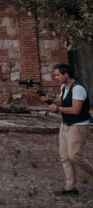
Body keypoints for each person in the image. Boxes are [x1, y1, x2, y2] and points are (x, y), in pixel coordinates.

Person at [42, 63, 93, 196]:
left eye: (58, 75)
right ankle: (70, 187)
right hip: (65, 125)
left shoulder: (78, 89)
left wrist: (57, 109)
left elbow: (76, 110)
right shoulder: (64, 86)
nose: (56, 77)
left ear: (66, 75)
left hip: (78, 125)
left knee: (75, 156)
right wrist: (47, 101)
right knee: (64, 156)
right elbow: (62, 103)